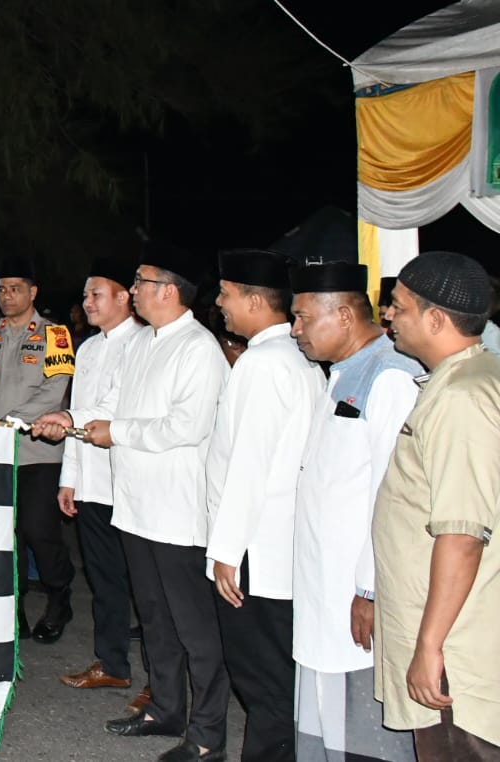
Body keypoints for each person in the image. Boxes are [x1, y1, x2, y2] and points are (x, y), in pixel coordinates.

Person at [79, 242, 230, 762]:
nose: (134, 290)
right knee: (154, 619)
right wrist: (71, 420)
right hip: (136, 507)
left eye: (141, 282)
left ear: (168, 290)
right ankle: (165, 708)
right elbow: (111, 403)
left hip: (177, 512)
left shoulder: (199, 348)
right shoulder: (143, 342)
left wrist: (116, 431)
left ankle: (208, 733)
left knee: (195, 628)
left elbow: (187, 426)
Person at [288, 261, 418, 762]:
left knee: (362, 730)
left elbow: (394, 495)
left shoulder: (389, 376)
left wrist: (370, 590)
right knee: (323, 720)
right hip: (324, 587)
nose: (295, 329)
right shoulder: (340, 372)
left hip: (356, 594)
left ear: (343, 315)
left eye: (303, 317)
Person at [374, 252, 500, 760]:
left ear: (435, 319)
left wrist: (429, 647)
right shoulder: (466, 379)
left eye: (399, 307)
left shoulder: (462, 397)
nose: (388, 316)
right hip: (449, 629)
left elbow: (463, 535)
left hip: (454, 647)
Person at [205, 249, 325, 762]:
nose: (219, 303)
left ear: (255, 301)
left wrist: (226, 551)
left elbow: (248, 466)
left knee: (263, 680)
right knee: (277, 676)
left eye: (226, 293)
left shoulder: (262, 363)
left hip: (255, 549)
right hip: (280, 546)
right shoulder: (297, 358)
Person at [40, 258, 147, 696]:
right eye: (85, 295)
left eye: (96, 294)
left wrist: (67, 418)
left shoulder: (142, 342)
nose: (87, 302)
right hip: (93, 483)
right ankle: (113, 663)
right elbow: (79, 413)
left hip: (131, 483)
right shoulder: (85, 349)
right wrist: (70, 479)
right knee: (104, 580)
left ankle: (162, 680)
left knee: (147, 586)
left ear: (124, 297)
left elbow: (114, 407)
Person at [0, 256, 76, 643]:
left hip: (37, 450)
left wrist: (11, 420)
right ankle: (14, 604)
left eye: (15, 288)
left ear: (33, 292)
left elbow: (55, 389)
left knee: (39, 529)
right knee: (6, 534)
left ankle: (59, 595)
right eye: (2, 289)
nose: (7, 295)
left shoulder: (55, 335)